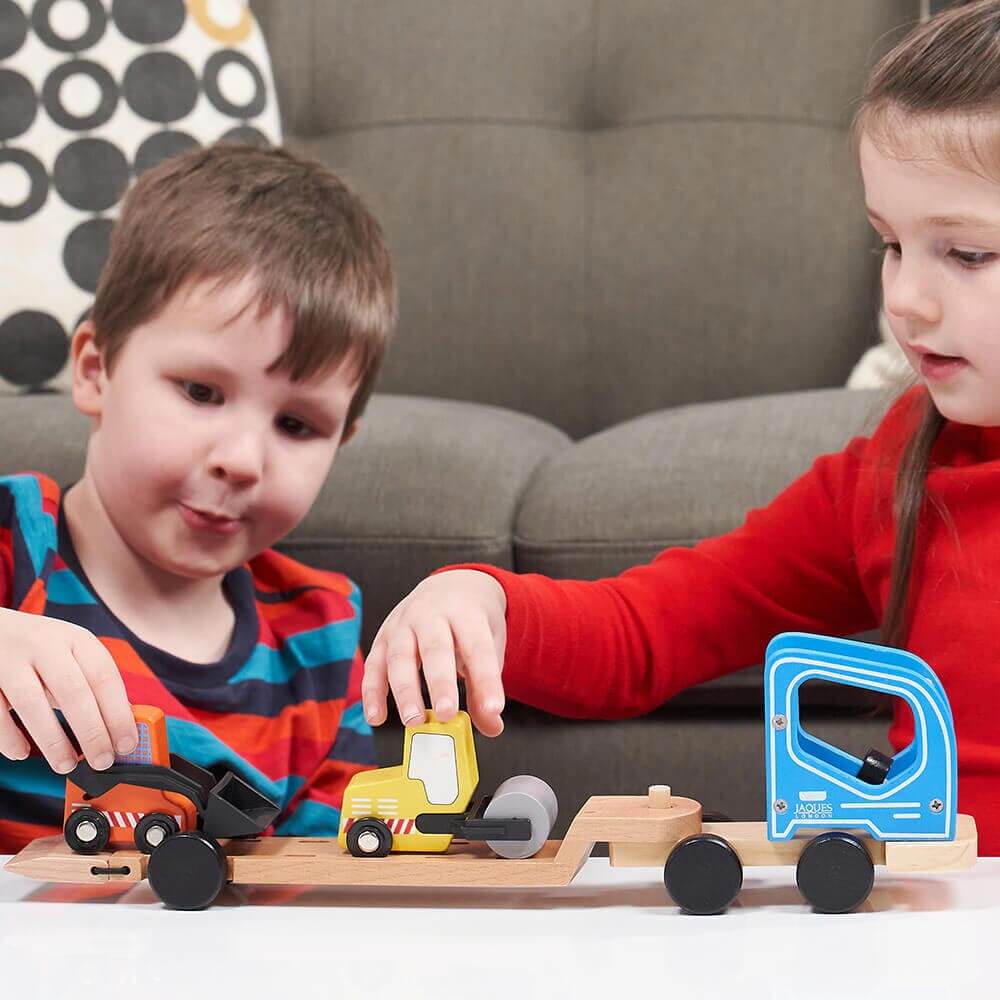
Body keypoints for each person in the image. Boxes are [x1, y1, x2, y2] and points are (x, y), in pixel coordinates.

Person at [363, 0, 1000, 856]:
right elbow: (650, 628)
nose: (904, 299)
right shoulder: (898, 470)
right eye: (889, 244)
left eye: (965, 254)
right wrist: (484, 601)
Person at [0, 143, 396, 852]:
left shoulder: (322, 640)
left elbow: (318, 889)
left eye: (297, 426)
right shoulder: (11, 545)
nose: (243, 461)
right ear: (96, 370)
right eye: (201, 392)